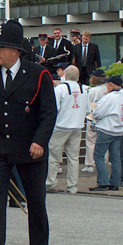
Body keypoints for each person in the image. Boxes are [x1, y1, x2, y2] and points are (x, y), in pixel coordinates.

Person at [0, 20, 57, 245]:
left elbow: (49, 112)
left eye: (1, 47)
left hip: (31, 147)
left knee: (36, 200)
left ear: (16, 51)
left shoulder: (39, 74)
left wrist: (40, 141)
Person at [46, 65, 88, 194]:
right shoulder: (83, 89)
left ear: (65, 75)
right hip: (77, 126)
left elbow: (54, 108)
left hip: (61, 126)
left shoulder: (60, 89)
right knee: (73, 157)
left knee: (53, 155)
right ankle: (72, 185)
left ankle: (50, 183)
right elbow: (87, 110)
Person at [89, 75, 123, 191]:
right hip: (119, 130)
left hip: (106, 129)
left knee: (99, 155)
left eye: (107, 84)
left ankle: (103, 182)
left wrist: (94, 115)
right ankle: (116, 182)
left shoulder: (108, 98)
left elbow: (98, 113)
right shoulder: (122, 97)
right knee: (115, 157)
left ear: (111, 85)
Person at [83, 69, 108, 173]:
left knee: (91, 141)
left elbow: (87, 104)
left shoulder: (92, 91)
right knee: (104, 142)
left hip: (93, 117)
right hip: (106, 118)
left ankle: (90, 163)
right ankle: (104, 162)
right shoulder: (108, 88)